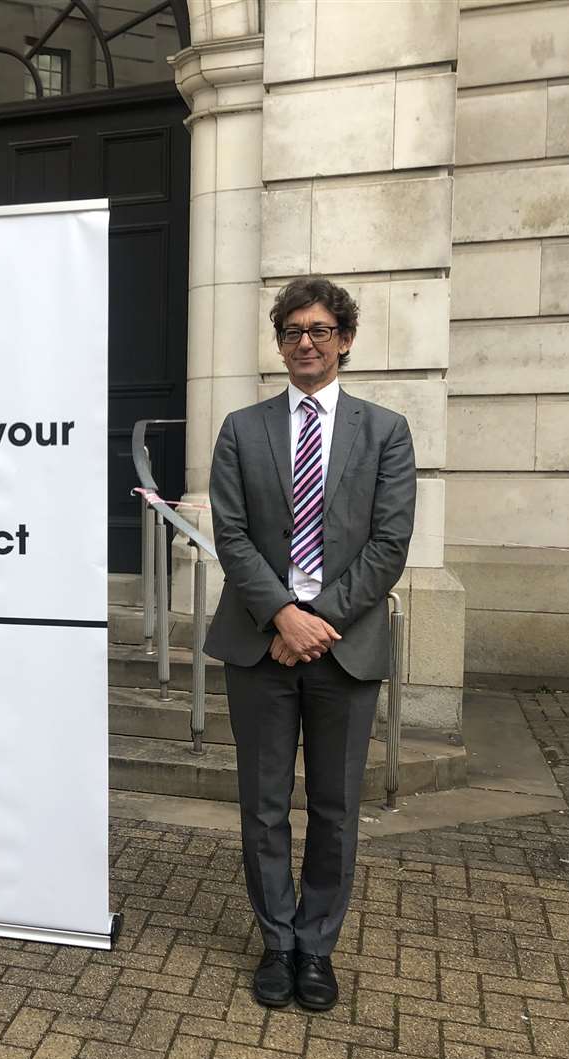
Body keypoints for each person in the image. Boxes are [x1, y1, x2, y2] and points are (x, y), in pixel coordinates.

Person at [204, 277, 416, 1011]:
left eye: (320, 330)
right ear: (280, 343)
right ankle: (276, 941)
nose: (306, 342)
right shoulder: (242, 427)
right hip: (260, 645)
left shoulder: (385, 431)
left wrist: (317, 618)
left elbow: (390, 542)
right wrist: (281, 616)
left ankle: (316, 947)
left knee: (334, 807)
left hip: (345, 646)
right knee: (263, 807)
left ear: (345, 340)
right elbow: (228, 534)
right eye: (293, 331)